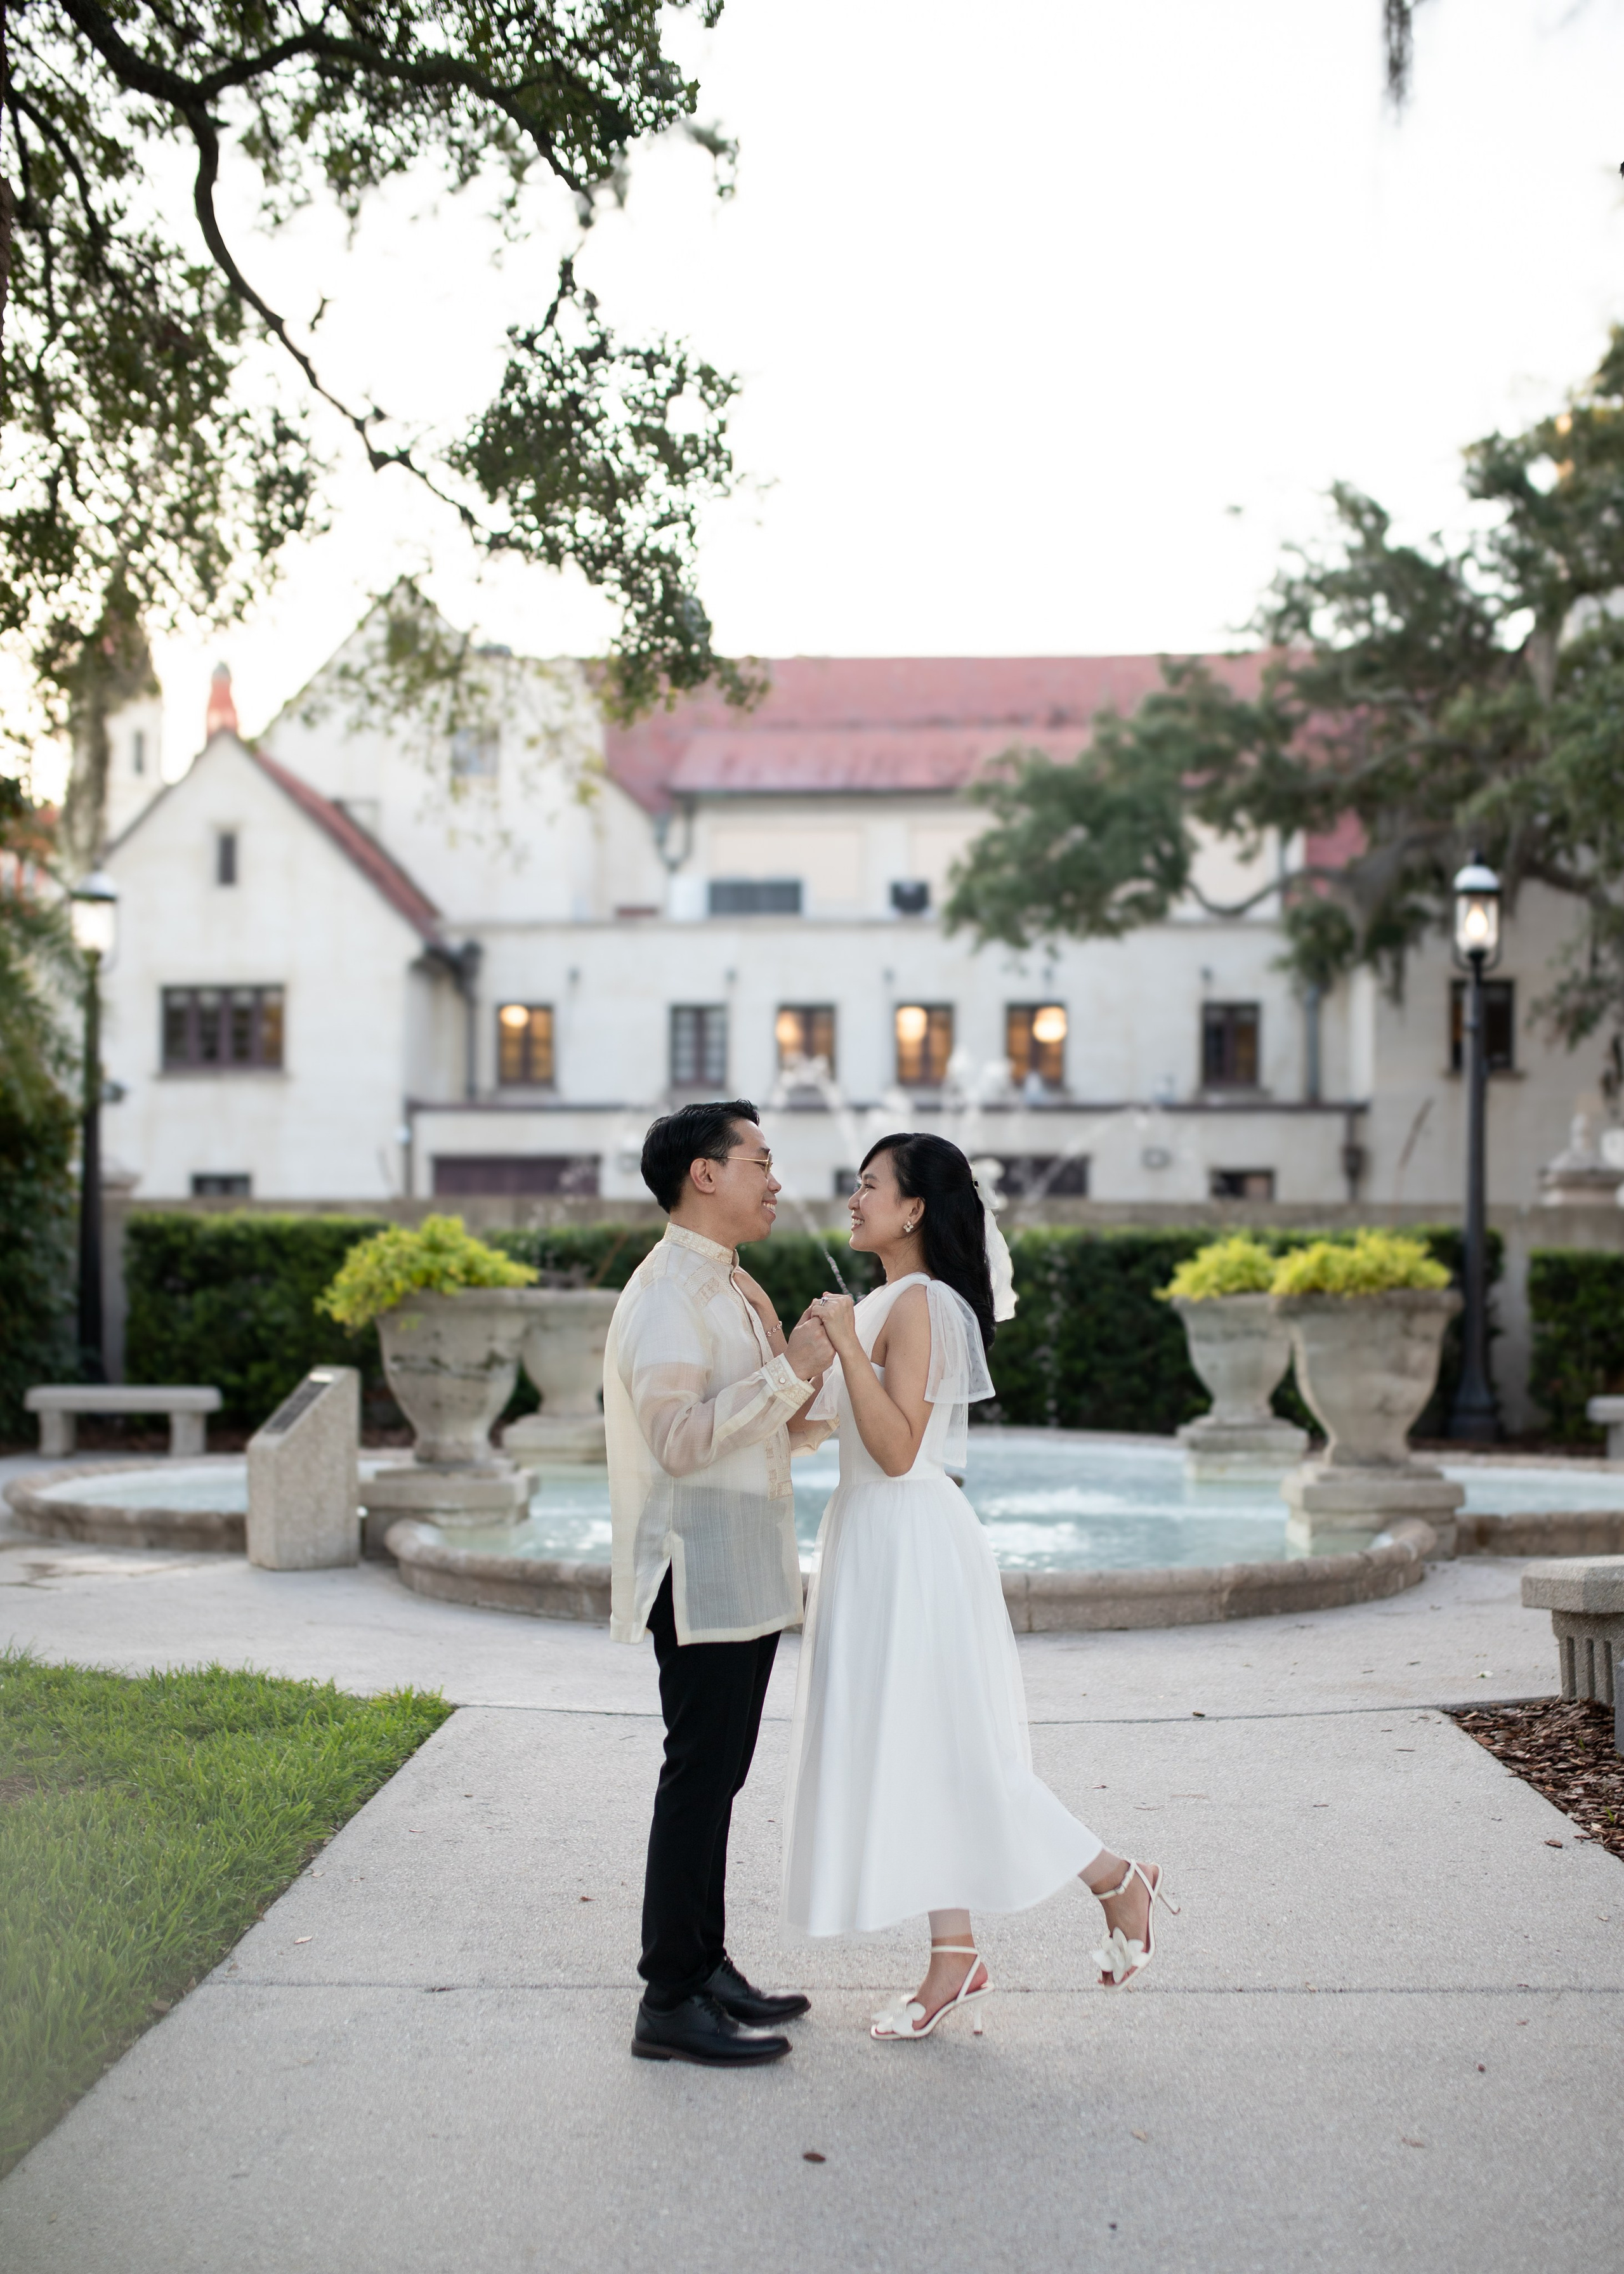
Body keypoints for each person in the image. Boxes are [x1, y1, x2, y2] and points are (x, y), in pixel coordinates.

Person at [780, 1132, 1179, 2040]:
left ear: (914, 1208)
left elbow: (895, 1448)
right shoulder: (883, 1303)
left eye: (869, 1186)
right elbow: (821, 1426)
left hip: (910, 1541)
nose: (853, 1199)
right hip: (870, 1540)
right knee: (921, 1753)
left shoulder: (918, 1305)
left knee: (959, 1755)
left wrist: (844, 1343)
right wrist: (809, 1347)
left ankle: (1117, 1878)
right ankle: (955, 1958)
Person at [605, 1098, 835, 2067]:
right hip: (693, 1568)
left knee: (722, 1774)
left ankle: (705, 1968)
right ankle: (668, 1996)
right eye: (759, 1160)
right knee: (699, 1776)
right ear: (705, 1174)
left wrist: (836, 1392)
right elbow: (680, 1439)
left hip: (738, 1559)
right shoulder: (669, 1296)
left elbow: (762, 1426)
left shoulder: (732, 1286)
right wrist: (795, 1372)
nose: (775, 1180)